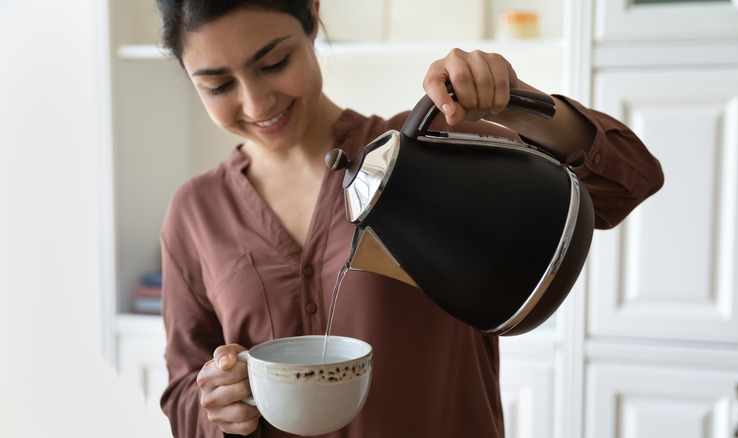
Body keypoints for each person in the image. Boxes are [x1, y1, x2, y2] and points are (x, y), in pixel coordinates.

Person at [156, 1, 664, 437]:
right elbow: (183, 396)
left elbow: (627, 183)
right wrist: (217, 404)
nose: (255, 102)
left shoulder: (428, 151)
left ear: (312, 17)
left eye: (274, 62)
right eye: (218, 85)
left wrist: (514, 105)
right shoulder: (195, 213)